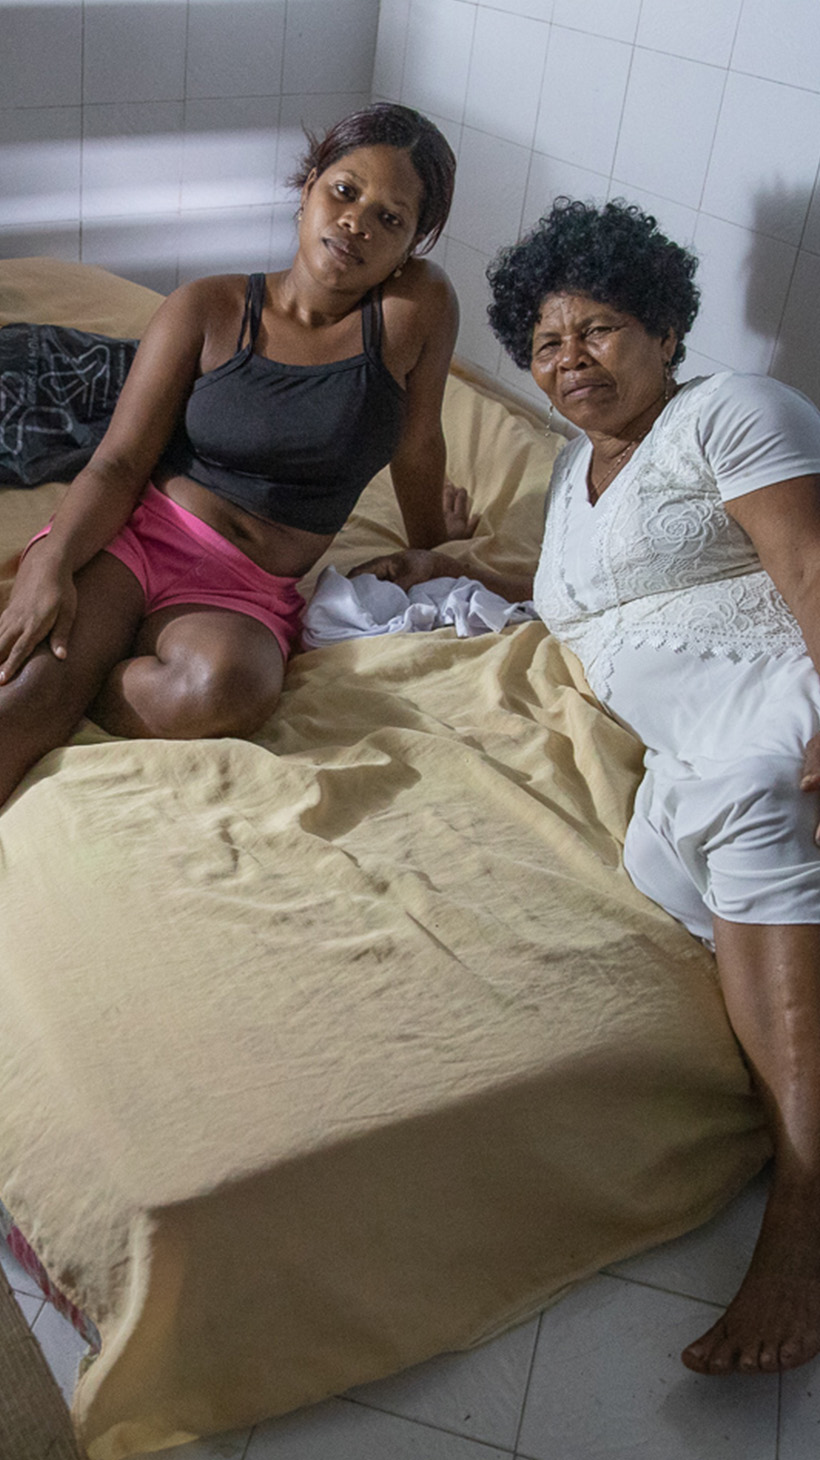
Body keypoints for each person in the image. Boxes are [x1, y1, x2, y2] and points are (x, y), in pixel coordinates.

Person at [358, 198, 820, 1378]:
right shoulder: (572, 475)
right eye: (548, 344)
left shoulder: (732, 412)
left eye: (601, 329)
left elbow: (810, 561)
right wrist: (448, 559)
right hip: (683, 747)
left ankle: (802, 1220)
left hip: (772, 703)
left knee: (752, 800)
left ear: (664, 329)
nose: (571, 361)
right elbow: (591, 584)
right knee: (669, 873)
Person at [0, 103, 467, 808]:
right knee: (24, 703)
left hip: (245, 588)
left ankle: (86, 680)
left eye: (389, 218)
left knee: (228, 689)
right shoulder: (208, 307)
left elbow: (420, 438)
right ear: (309, 185)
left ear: (412, 245)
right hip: (139, 539)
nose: (357, 223)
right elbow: (119, 462)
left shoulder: (415, 311)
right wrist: (52, 560)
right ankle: (68, 682)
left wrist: (434, 548)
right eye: (345, 191)